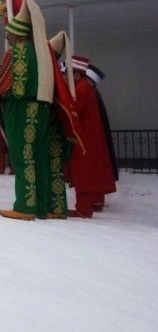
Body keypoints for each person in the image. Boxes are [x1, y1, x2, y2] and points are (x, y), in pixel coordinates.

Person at [0, 0, 55, 220]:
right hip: (41, 108)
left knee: (22, 156)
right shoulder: (41, 51)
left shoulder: (16, 52)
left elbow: (10, 86)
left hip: (20, 109)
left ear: (16, 34)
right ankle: (42, 206)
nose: (7, 36)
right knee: (38, 157)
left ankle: (25, 206)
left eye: (8, 33)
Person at [67, 56, 117, 218]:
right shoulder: (85, 88)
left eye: (70, 73)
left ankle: (83, 209)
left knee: (84, 174)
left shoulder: (81, 89)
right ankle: (85, 207)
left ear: (77, 74)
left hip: (85, 139)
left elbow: (72, 110)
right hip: (89, 137)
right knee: (87, 173)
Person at [85, 63, 119, 211]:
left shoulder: (91, 94)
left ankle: (96, 200)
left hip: (95, 138)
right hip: (97, 137)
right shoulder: (94, 94)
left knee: (96, 169)